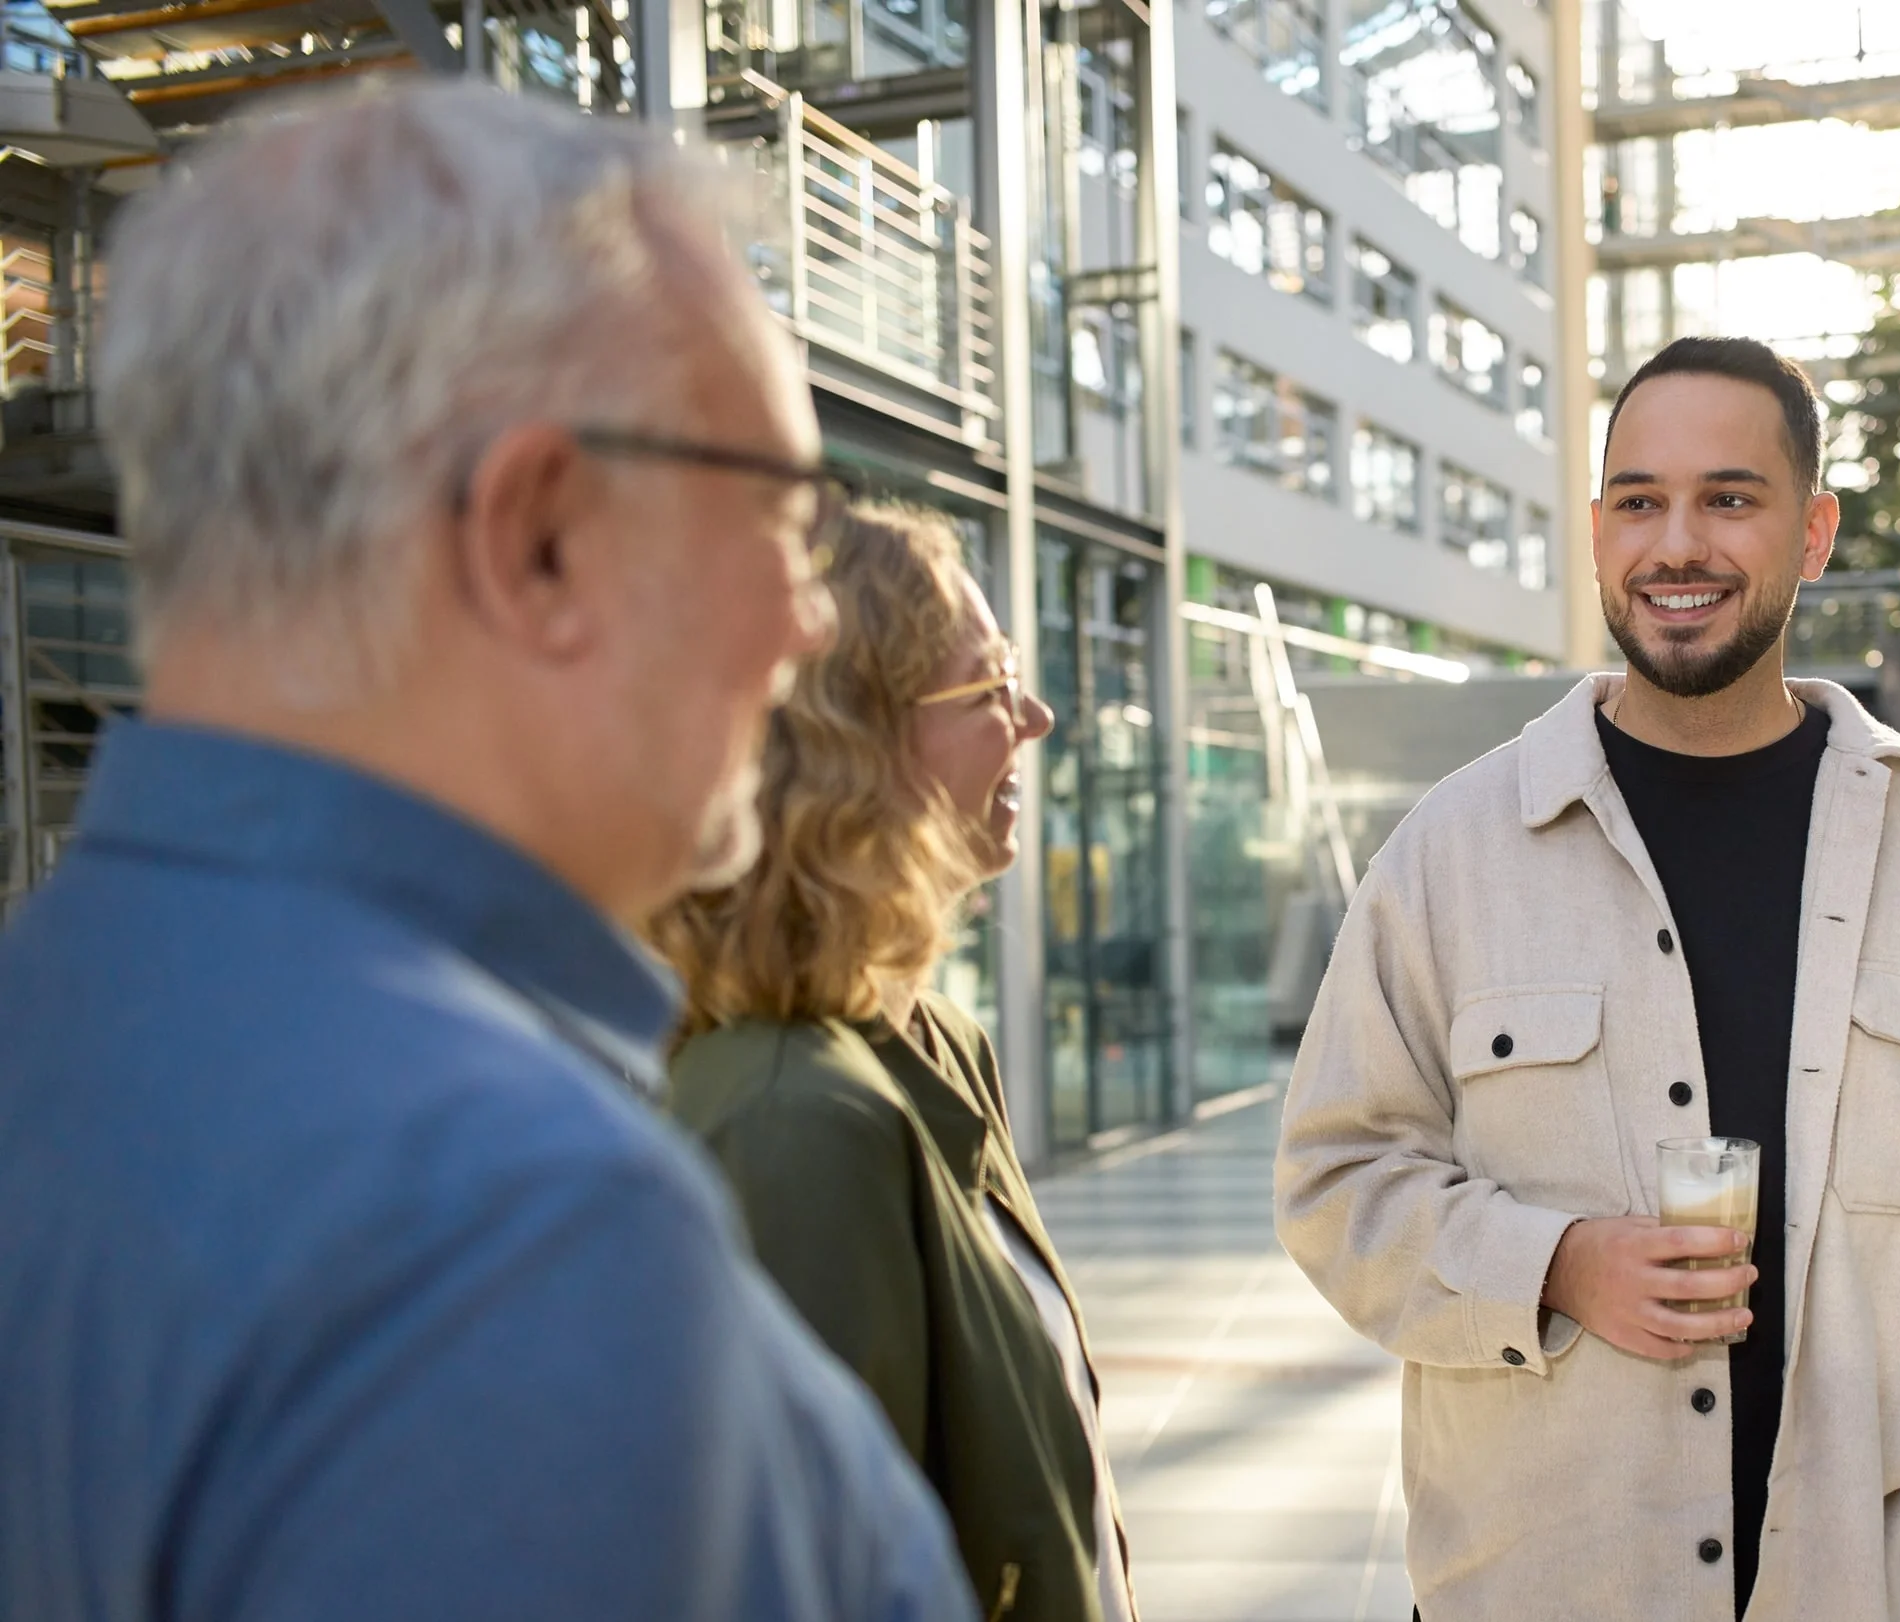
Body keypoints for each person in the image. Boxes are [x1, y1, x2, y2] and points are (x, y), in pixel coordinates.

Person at [0, 87, 976, 1620]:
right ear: (537, 538)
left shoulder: (64, 1030)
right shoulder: (504, 1233)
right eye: (781, 517)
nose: (808, 618)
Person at [1277, 335, 1900, 1622]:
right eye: (1639, 501)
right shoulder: (1453, 851)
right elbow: (1334, 1181)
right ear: (1595, 533)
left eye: (1728, 500)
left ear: (1812, 534)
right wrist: (1555, 1262)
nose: (1676, 543)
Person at [651, 507, 1132, 1622]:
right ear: (852, 739)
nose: (1036, 715)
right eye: (988, 682)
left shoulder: (935, 1041)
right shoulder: (792, 1122)